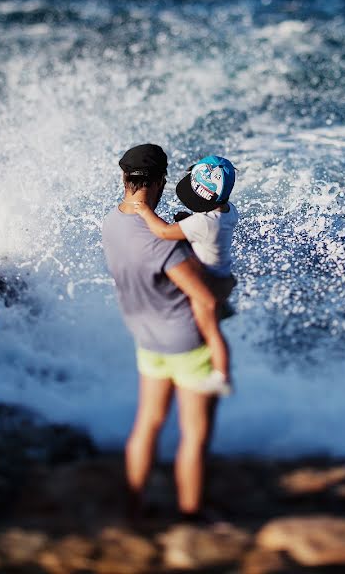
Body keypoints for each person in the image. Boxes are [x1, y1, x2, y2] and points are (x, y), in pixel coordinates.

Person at [102, 143, 231, 521]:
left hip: (146, 338)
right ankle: (191, 516)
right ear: (158, 181)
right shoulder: (161, 243)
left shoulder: (113, 222)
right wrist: (216, 342)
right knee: (194, 434)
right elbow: (203, 300)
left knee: (148, 423)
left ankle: (133, 506)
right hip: (186, 343)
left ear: (124, 178)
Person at [133, 156, 239, 318]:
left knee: (200, 313)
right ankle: (221, 308)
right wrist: (189, 222)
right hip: (222, 271)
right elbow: (207, 227)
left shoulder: (205, 223)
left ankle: (212, 317)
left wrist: (145, 211)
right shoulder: (229, 210)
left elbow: (164, 232)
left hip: (208, 279)